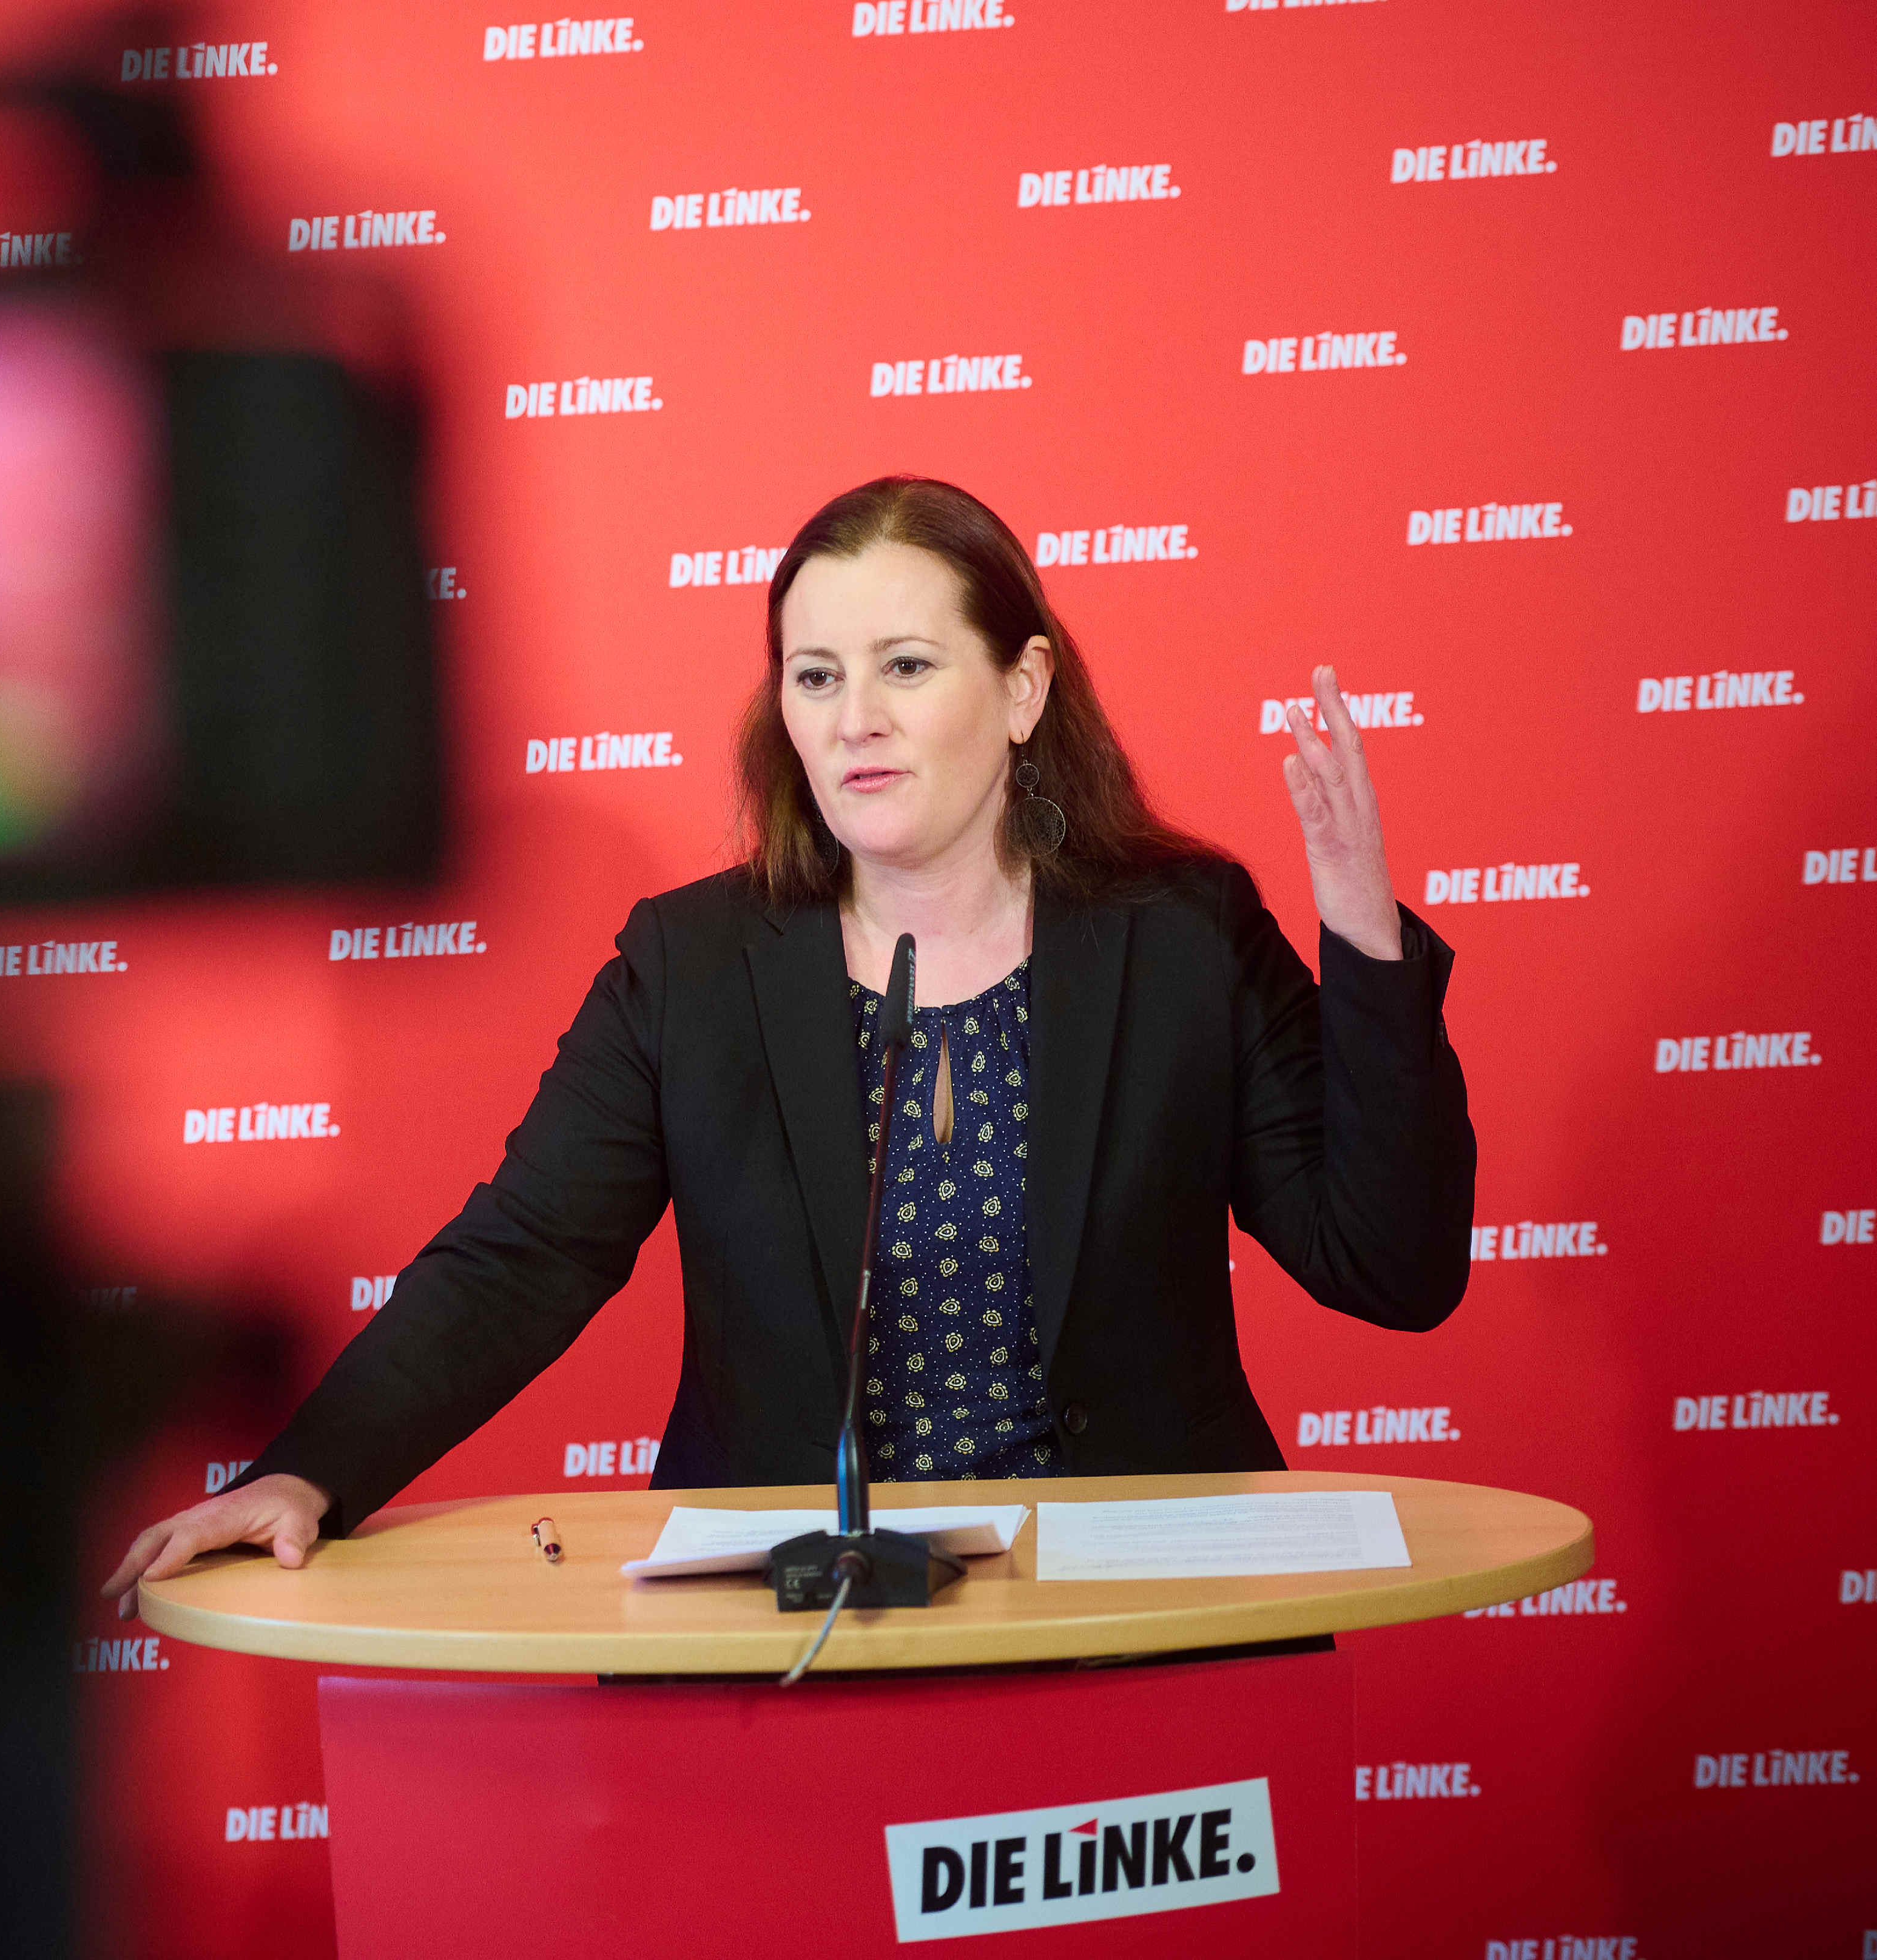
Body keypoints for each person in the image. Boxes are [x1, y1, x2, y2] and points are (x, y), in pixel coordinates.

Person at [104, 475, 1474, 1615]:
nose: (852, 716)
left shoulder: (1179, 934)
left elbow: (1390, 1266)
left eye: (907, 666)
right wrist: (308, 1470)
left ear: (1022, 687)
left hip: (1135, 1624)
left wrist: (1359, 934)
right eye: (815, 674)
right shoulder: (692, 964)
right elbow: (524, 1254)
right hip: (796, 1634)